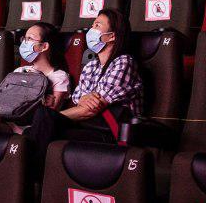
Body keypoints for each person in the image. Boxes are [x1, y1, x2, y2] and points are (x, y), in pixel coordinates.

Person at [24, 9, 141, 148]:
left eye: (97, 25)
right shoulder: (90, 67)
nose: (91, 29)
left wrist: (50, 117)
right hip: (86, 125)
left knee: (43, 121)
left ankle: (29, 169)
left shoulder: (124, 62)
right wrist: (85, 100)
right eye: (92, 25)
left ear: (111, 36)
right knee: (33, 130)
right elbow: (81, 104)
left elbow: (89, 110)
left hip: (111, 132)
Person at [0, 23, 71, 132]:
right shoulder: (20, 71)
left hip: (25, 126)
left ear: (44, 46)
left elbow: (50, 113)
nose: (24, 43)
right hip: (6, 118)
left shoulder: (59, 76)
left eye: (30, 39)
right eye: (24, 39)